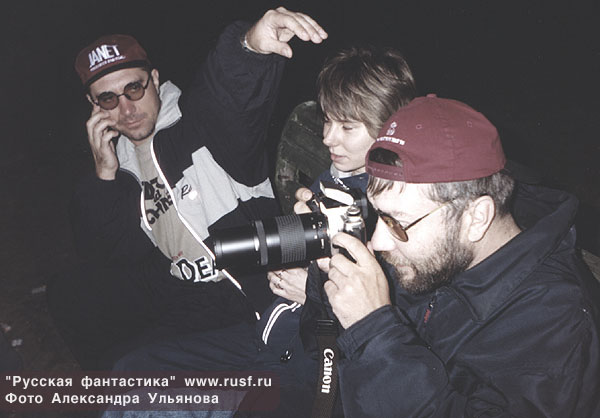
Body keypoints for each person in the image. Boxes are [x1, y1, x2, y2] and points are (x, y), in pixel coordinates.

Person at [108, 45, 417, 417]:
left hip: (309, 360)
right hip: (269, 332)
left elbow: (391, 321)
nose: (327, 138)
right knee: (133, 371)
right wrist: (285, 252)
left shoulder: (398, 208)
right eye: (327, 121)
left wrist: (314, 293)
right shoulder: (334, 178)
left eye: (347, 127)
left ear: (389, 128)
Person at [47, 7, 328, 370]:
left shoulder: (198, 122)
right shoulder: (124, 164)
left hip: (238, 284)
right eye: (109, 98)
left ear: (154, 79)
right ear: (94, 105)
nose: (127, 109)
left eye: (134, 88)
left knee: (129, 367)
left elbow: (231, 98)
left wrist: (249, 47)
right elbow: (109, 252)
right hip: (179, 285)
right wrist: (104, 174)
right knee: (69, 294)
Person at [299, 95, 600, 416]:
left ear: (476, 218)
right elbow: (322, 355)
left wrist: (373, 332)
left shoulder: (555, 326)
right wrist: (334, 274)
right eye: (377, 215)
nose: (378, 242)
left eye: (396, 222)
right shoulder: (425, 252)